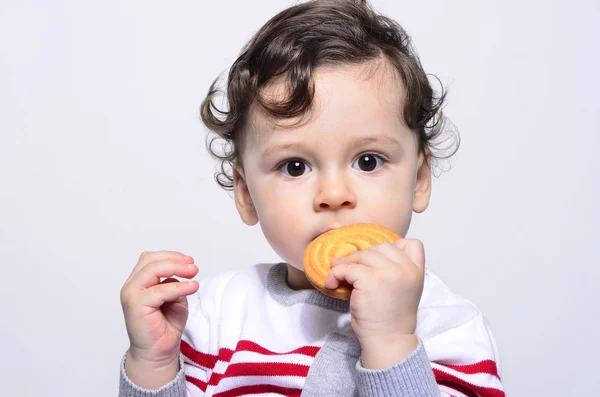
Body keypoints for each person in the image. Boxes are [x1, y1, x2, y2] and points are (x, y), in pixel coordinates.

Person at [119, 0, 504, 395]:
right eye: (295, 167)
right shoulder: (216, 316)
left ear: (419, 179)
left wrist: (391, 342)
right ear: (247, 194)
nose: (334, 195)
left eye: (368, 161)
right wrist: (154, 363)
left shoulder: (448, 326)